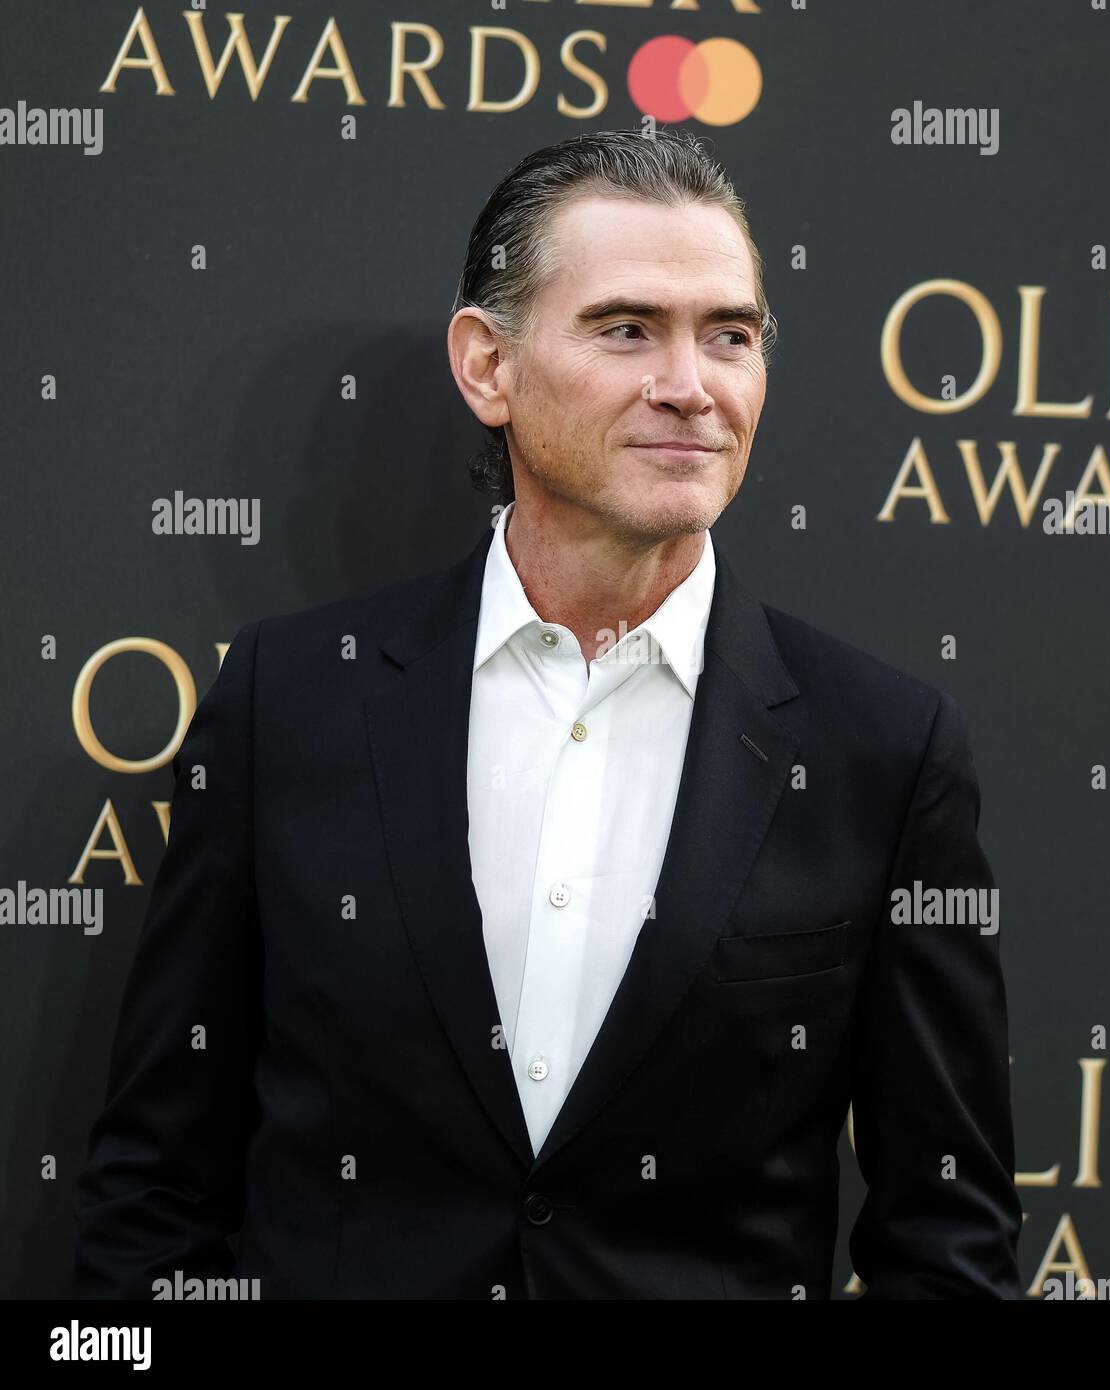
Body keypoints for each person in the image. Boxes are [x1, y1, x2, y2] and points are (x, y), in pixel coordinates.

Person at [75, 127, 1021, 1299]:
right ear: (488, 367)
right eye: (628, 328)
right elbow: (157, 1177)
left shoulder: (880, 748)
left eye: (729, 334)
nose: (691, 384)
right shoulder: (292, 702)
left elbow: (947, 1231)